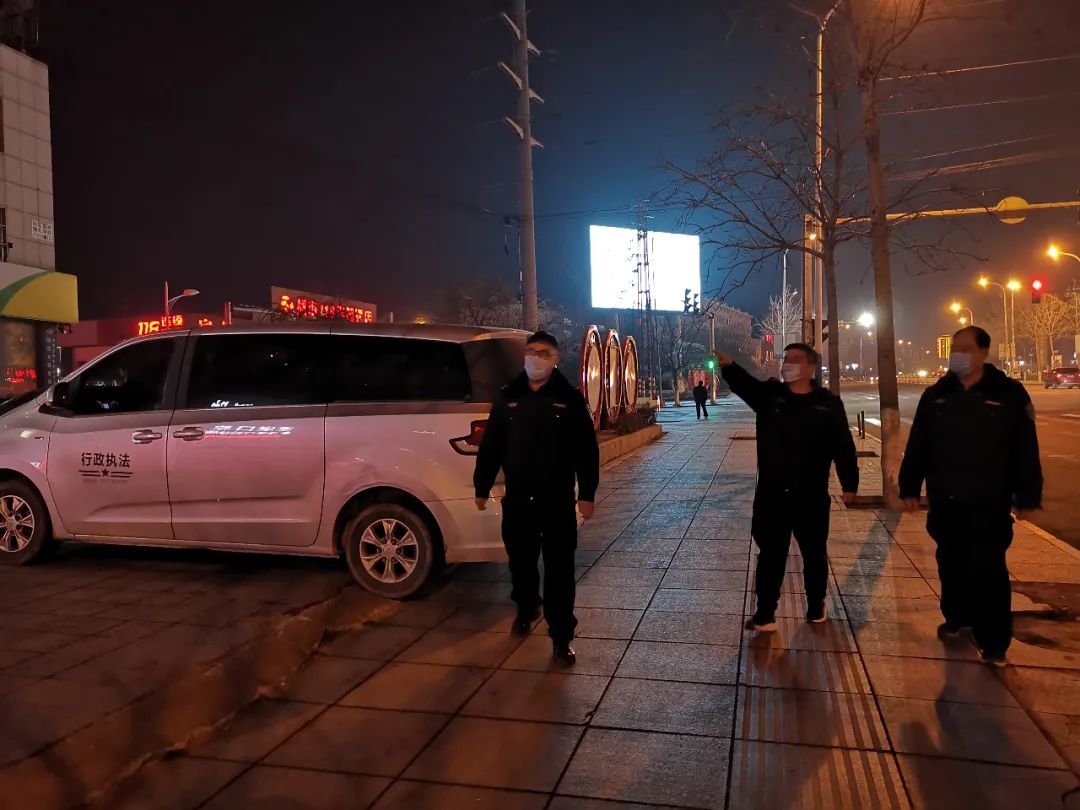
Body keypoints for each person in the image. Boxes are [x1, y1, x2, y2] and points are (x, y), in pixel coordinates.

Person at [899, 325, 1042, 668]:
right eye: (955, 349)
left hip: (989, 501)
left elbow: (1026, 448)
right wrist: (909, 488)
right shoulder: (937, 395)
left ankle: (994, 642)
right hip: (946, 499)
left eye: (965, 349)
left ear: (983, 353)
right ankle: (957, 618)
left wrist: (1027, 495)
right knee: (950, 562)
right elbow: (918, 445)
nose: (957, 355)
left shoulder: (1008, 393)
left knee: (989, 570)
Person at [474, 330, 600, 666]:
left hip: (557, 502)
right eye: (531, 351)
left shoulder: (569, 399)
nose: (536, 358)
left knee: (559, 571)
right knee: (521, 563)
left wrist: (587, 494)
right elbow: (492, 446)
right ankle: (527, 607)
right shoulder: (508, 397)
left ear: (555, 359)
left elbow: (587, 451)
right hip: (518, 501)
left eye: (544, 353)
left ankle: (561, 637)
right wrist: (481, 486)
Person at [715, 343, 858, 631]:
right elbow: (746, 386)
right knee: (770, 555)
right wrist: (729, 365)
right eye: (786, 358)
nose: (787, 364)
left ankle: (816, 606)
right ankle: (765, 613)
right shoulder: (770, 396)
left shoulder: (827, 404)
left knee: (814, 554)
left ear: (810, 367)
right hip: (772, 496)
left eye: (795, 359)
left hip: (811, 496)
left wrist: (849, 483)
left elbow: (843, 446)